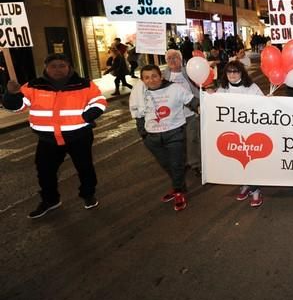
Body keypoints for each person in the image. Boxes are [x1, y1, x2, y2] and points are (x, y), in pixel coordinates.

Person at [2, 53, 107, 218]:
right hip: (48, 139)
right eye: (53, 66)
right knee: (45, 171)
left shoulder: (84, 84)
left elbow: (99, 100)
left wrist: (89, 115)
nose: (57, 69)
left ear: (69, 67)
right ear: (46, 68)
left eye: (61, 65)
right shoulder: (33, 86)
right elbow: (17, 107)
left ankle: (88, 195)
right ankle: (50, 200)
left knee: (85, 168)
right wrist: (11, 94)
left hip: (78, 136)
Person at [133, 64, 200, 212]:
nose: (151, 80)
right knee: (167, 165)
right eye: (146, 77)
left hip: (175, 133)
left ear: (161, 76)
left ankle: (178, 192)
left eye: (154, 76)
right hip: (152, 138)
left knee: (176, 165)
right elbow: (138, 115)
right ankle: (179, 186)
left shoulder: (174, 88)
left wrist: (201, 107)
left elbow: (192, 101)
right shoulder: (140, 93)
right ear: (142, 80)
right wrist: (144, 135)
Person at [216, 60, 266, 207]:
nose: (232, 74)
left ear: (241, 73)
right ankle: (244, 184)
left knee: (250, 161)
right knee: (237, 161)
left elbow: (264, 105)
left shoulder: (251, 87)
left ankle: (255, 190)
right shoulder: (223, 89)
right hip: (231, 133)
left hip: (249, 132)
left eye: (235, 71)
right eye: (229, 72)